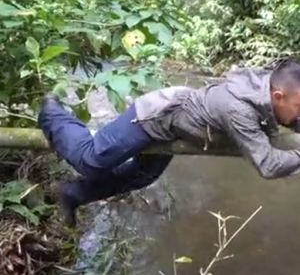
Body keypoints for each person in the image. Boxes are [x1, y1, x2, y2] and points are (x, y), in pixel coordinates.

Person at [38, 60, 300, 227]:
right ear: (277, 96)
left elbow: (288, 117)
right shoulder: (239, 109)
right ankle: (51, 112)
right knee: (92, 160)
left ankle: (73, 194)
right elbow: (268, 165)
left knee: (140, 177)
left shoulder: (269, 91)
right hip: (157, 115)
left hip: (176, 131)